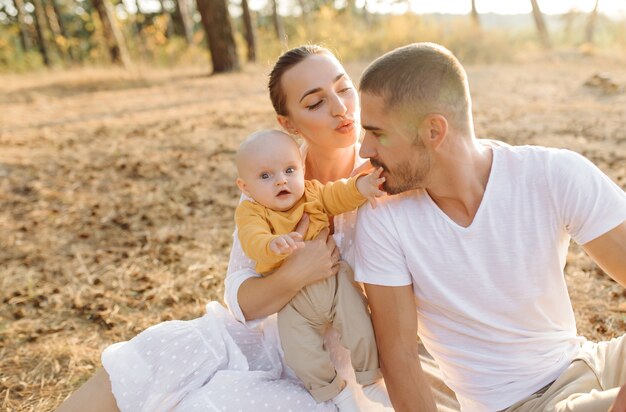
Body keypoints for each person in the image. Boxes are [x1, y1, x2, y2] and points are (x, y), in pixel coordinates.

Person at [57, 45, 460, 412]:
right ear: (290, 124)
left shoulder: (387, 179)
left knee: (212, 405)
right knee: (160, 350)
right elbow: (243, 301)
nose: (341, 108)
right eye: (316, 103)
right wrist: (296, 272)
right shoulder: (271, 179)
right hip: (265, 338)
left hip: (339, 367)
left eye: (344, 89)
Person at [353, 42, 626, 412]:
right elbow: (400, 357)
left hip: (596, 362)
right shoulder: (383, 218)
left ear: (433, 130)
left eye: (377, 133)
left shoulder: (552, 174)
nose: (365, 149)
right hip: (525, 404)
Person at [234, 129, 387, 410]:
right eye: (266, 176)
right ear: (245, 187)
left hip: (334, 282)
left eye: (289, 170)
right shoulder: (252, 212)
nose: (281, 180)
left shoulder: (313, 193)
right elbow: (251, 238)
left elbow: (339, 193)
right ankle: (335, 392)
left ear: (302, 170)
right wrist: (271, 244)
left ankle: (369, 379)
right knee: (299, 352)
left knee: (360, 325)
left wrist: (362, 188)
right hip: (293, 302)